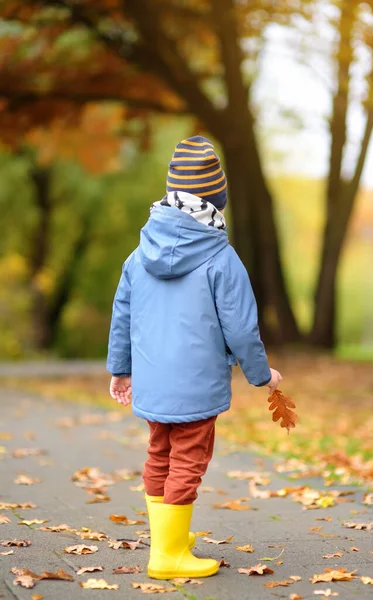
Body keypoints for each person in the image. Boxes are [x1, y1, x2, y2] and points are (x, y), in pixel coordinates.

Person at [107, 136, 282, 580]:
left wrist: (120, 369)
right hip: (197, 388)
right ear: (216, 200)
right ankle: (167, 556)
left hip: (152, 383)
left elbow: (122, 315)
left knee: (159, 454)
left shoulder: (136, 255)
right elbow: (241, 328)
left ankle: (169, 539)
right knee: (187, 459)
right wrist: (261, 375)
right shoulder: (221, 258)